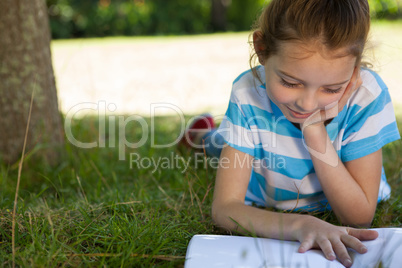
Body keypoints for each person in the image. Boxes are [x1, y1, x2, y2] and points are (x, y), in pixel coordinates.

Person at [179, 0, 400, 267]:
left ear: (354, 72)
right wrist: (299, 225)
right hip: (261, 169)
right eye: (290, 82)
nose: (307, 105)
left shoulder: (367, 96)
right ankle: (198, 136)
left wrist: (315, 132)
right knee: (217, 144)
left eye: (331, 89)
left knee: (226, 141)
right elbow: (226, 208)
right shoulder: (248, 92)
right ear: (261, 49)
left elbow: (359, 217)